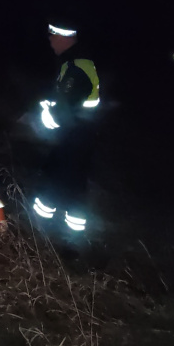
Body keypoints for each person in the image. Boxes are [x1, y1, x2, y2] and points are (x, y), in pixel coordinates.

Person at [33, 20, 101, 231]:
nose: (50, 41)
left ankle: (51, 234)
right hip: (78, 135)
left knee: (62, 181)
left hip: (75, 137)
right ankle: (62, 234)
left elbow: (64, 109)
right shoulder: (75, 63)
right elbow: (64, 99)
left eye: (53, 36)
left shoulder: (76, 67)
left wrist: (43, 119)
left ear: (65, 38)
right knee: (70, 182)